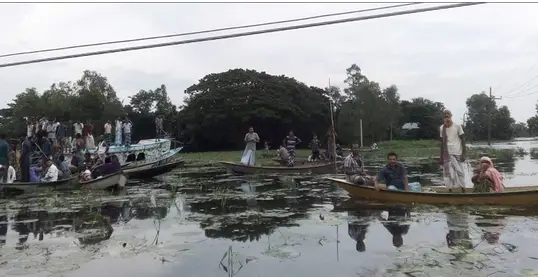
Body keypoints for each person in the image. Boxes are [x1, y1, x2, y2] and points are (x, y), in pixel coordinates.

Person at [440, 109, 472, 193]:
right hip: (447, 154)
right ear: (443, 117)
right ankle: (450, 190)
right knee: (447, 173)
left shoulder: (457, 126)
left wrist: (464, 153)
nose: (446, 115)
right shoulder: (442, 128)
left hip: (458, 153)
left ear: (451, 116)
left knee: (460, 172)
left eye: (448, 114)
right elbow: (442, 142)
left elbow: (463, 140)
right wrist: (441, 157)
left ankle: (463, 189)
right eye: (445, 114)